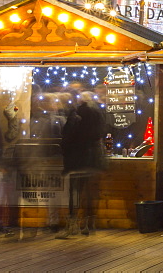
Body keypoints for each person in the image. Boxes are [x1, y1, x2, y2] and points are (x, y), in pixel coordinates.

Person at [57, 93, 106, 238]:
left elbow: (68, 137)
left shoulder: (76, 115)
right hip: (93, 160)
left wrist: (64, 148)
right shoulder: (98, 113)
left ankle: (71, 226)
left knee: (74, 193)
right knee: (90, 193)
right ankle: (89, 225)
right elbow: (100, 133)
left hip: (76, 160)